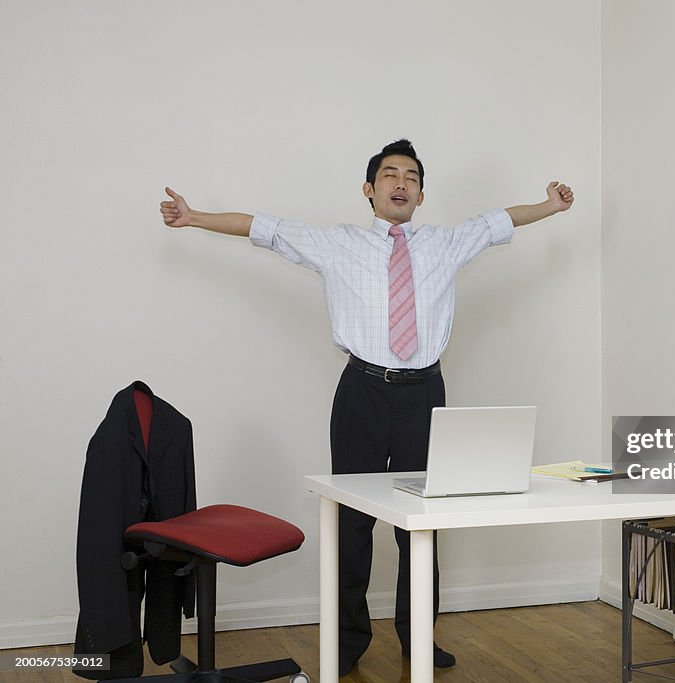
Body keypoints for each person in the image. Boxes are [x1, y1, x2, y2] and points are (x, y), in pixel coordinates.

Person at [159, 139, 573, 674]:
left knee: (421, 524)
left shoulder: (446, 243)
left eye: (411, 178)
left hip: (425, 395)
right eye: (390, 175)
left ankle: (417, 638)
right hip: (362, 392)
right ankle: (348, 640)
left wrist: (551, 205)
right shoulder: (337, 243)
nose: (401, 184)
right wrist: (193, 218)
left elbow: (503, 220)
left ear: (421, 194)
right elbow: (261, 228)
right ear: (370, 189)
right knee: (352, 523)